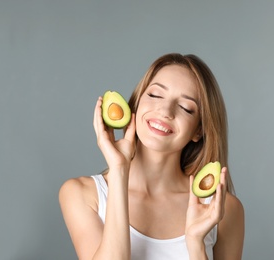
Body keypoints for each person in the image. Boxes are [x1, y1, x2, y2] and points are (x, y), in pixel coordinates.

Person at [59, 53, 245, 260]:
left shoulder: (223, 209)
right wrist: (120, 169)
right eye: (155, 95)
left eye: (185, 107)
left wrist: (196, 245)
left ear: (198, 131)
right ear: (137, 104)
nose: (165, 111)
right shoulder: (83, 194)